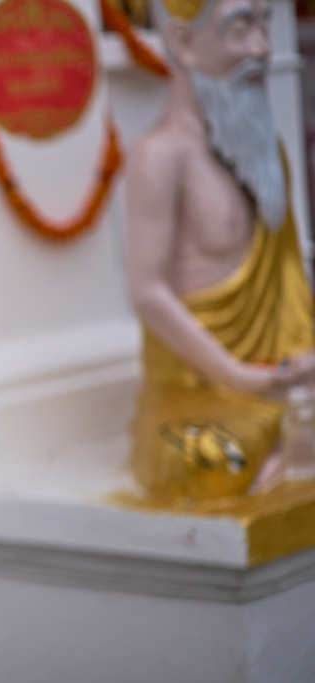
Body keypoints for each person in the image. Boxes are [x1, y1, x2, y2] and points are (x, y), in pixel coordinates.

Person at [124, 0, 315, 501]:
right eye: (240, 30)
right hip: (198, 393)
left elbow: (288, 275)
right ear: (184, 43)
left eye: (264, 27)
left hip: (282, 378)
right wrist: (235, 375)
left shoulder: (263, 152)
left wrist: (296, 363)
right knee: (214, 463)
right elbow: (146, 292)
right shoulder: (159, 157)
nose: (262, 49)